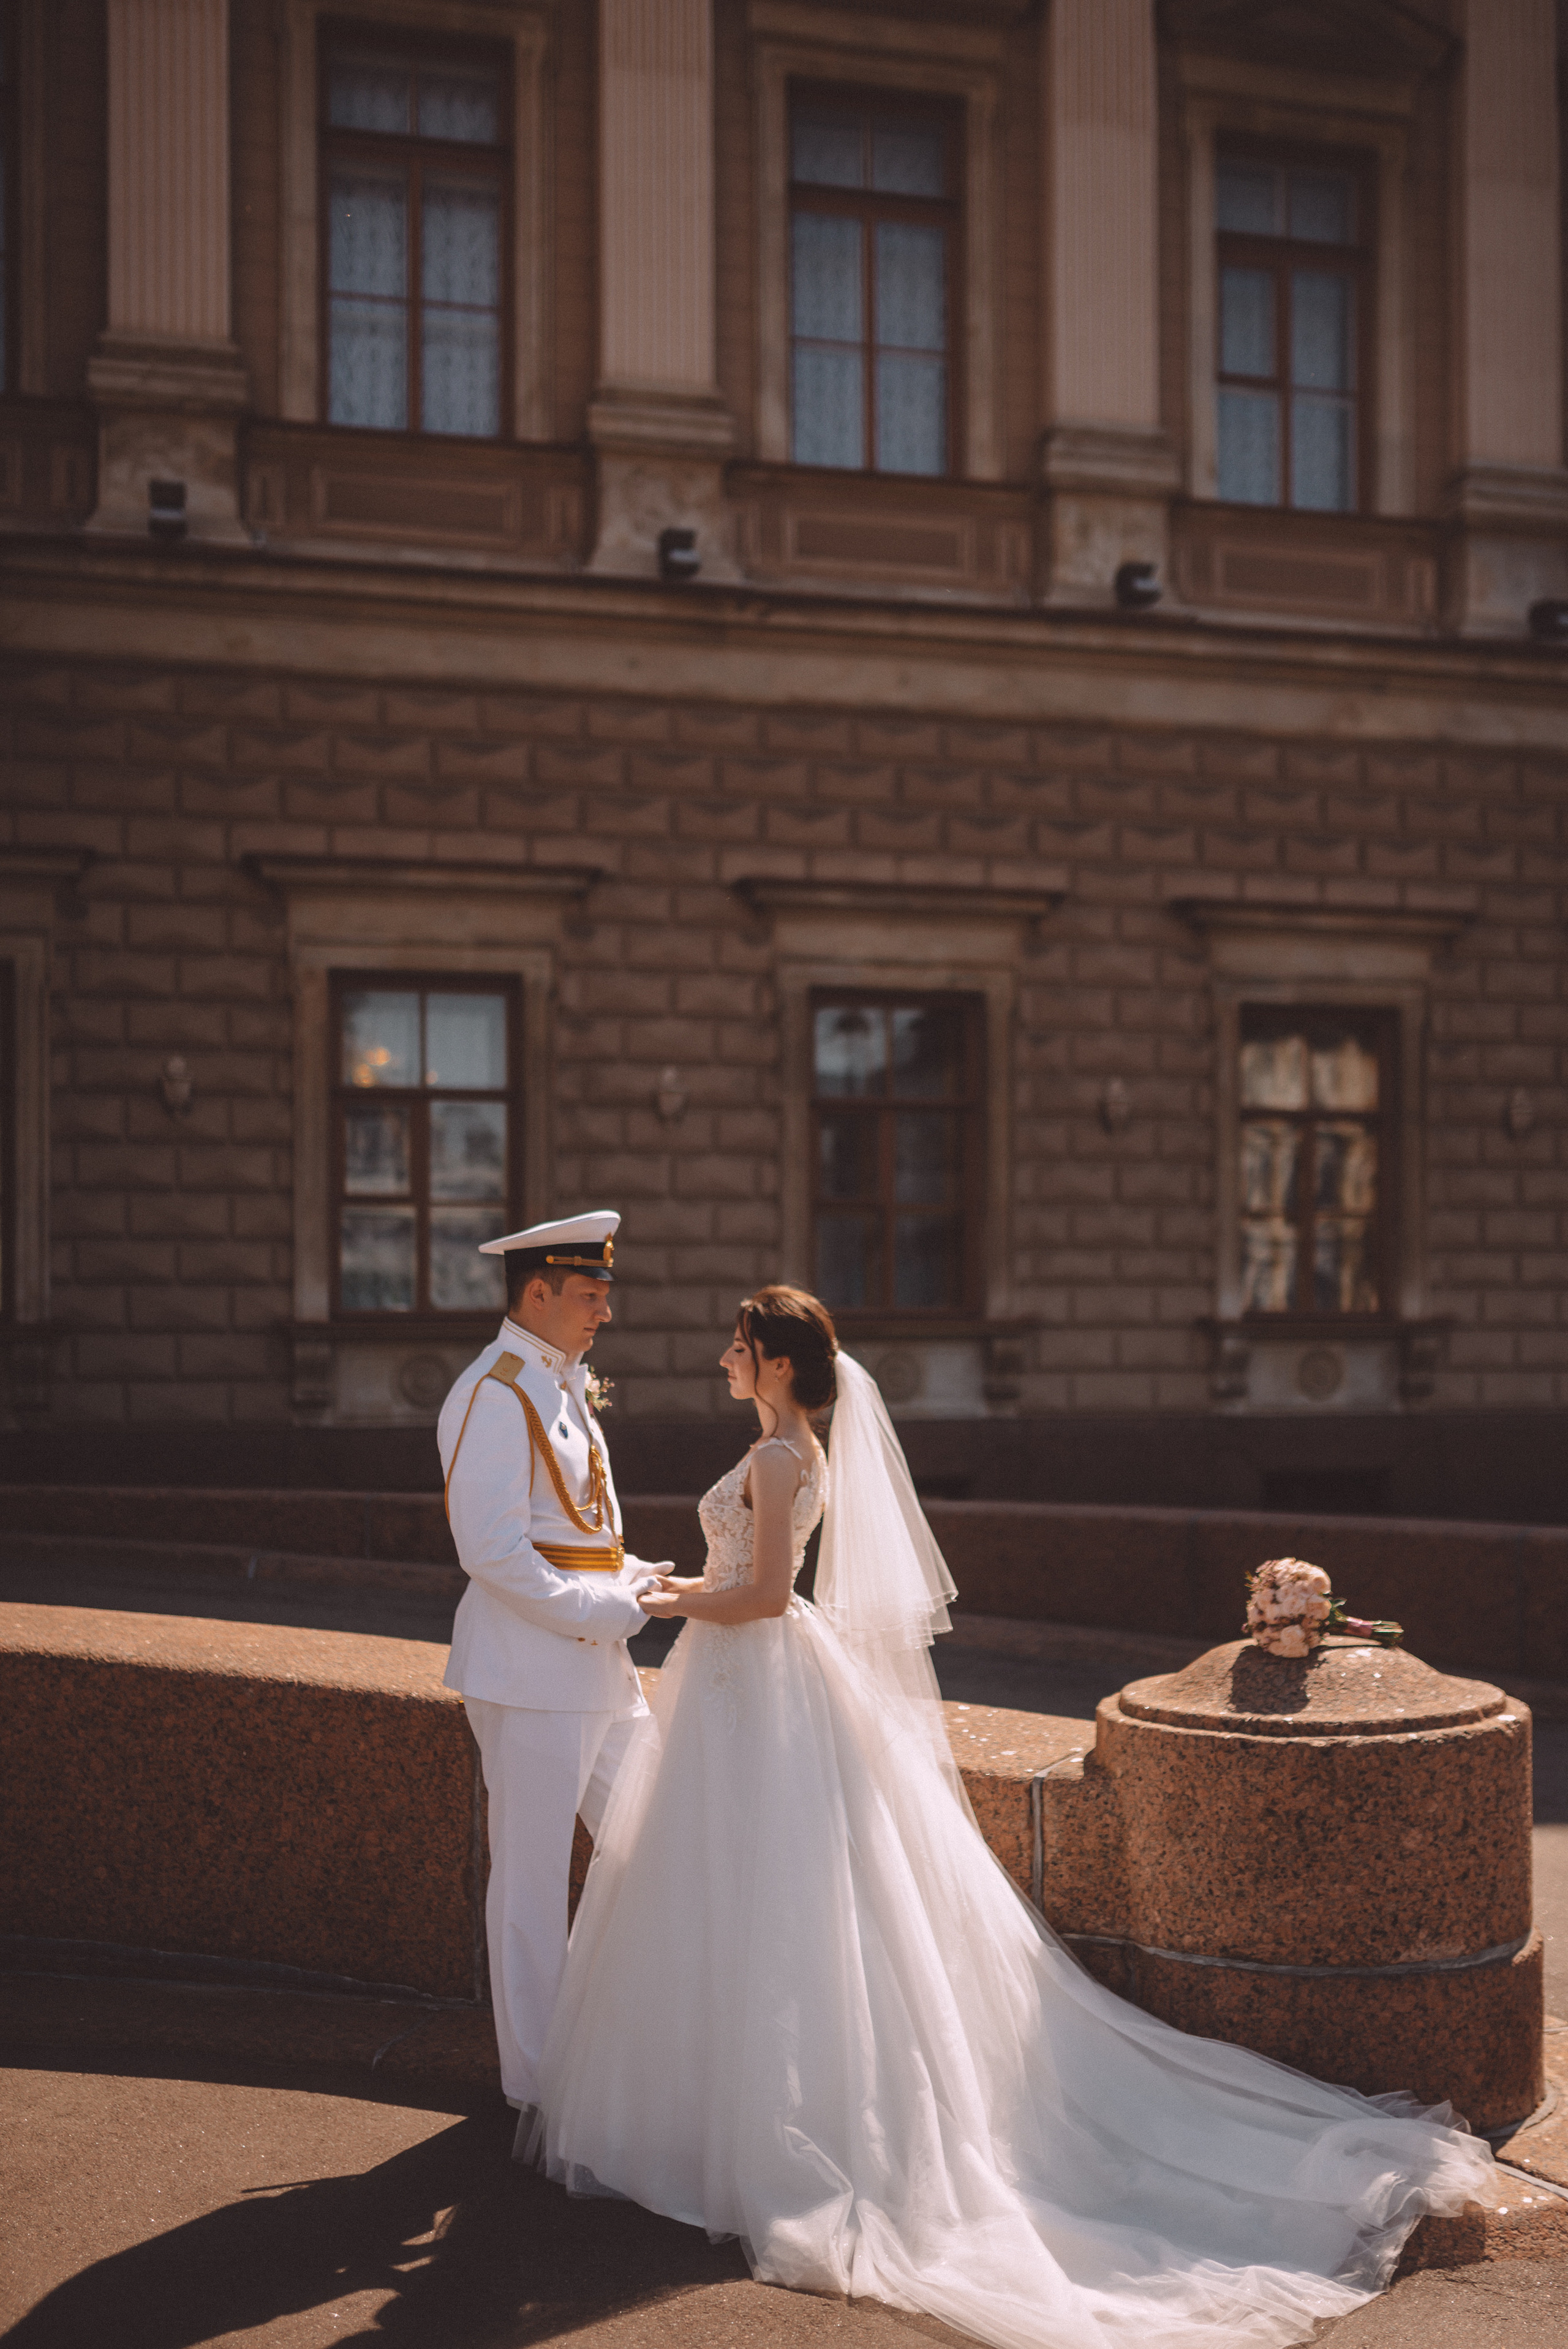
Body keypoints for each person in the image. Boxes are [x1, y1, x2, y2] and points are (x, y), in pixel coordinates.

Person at [526, 1284, 1492, 2349]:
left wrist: (666, 1601)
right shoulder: (798, 1450)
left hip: (751, 1669)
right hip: (757, 1680)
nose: (725, 1357)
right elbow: (759, 1582)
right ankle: (738, 2123)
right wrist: (688, 1586)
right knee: (779, 1896)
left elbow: (758, 1593)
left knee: (754, 1893)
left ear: (780, 1365)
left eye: (741, 1346)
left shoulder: (774, 1457)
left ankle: (740, 2135)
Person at [438, 1210, 668, 2116]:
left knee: (660, 1842)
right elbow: (491, 1551)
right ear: (537, 1291)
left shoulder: (560, 1380)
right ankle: (536, 2088)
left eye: (606, 1290)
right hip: (532, 1676)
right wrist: (607, 1608)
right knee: (530, 1884)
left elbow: (572, 1530)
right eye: (590, 1291)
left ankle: (640, 2047)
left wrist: (640, 1576)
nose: (605, 1309)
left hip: (598, 1667)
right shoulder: (493, 1392)